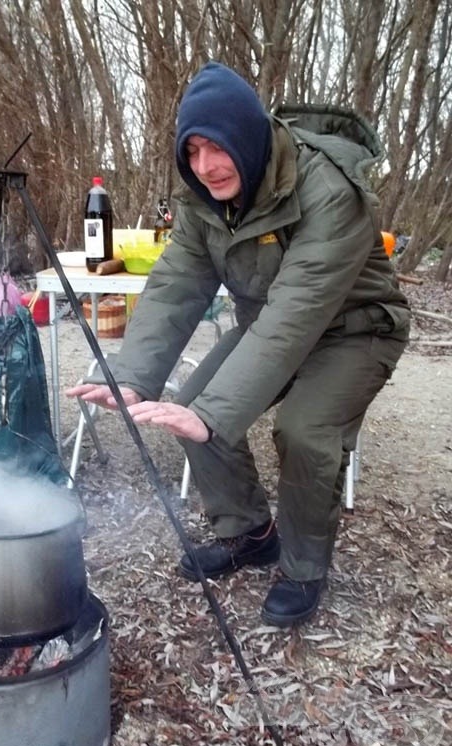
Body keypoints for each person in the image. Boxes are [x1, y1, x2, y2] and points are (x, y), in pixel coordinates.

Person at [67, 62, 410, 627]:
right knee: (192, 407)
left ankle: (303, 568)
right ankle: (251, 534)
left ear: (247, 135)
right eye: (192, 152)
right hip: (269, 325)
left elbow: (298, 309)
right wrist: (130, 376)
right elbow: (177, 285)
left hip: (355, 329)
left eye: (216, 147)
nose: (205, 166)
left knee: (302, 429)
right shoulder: (203, 201)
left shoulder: (329, 188)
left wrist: (213, 414)